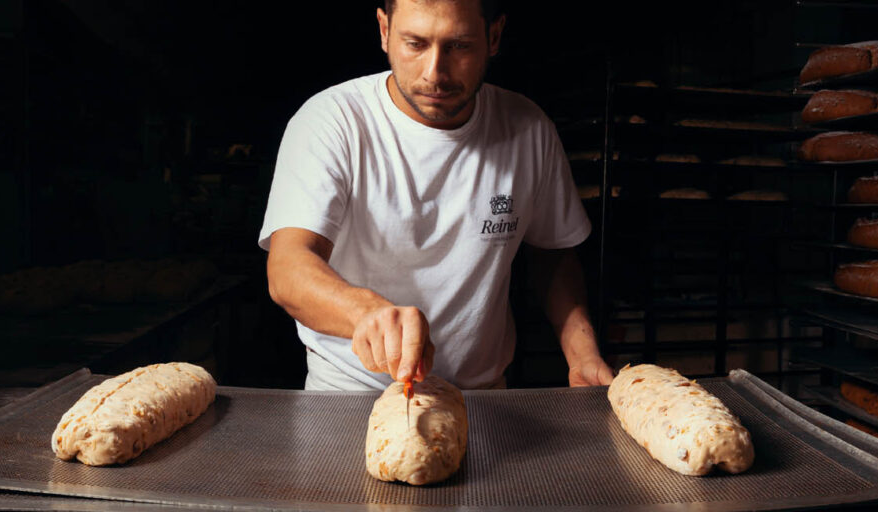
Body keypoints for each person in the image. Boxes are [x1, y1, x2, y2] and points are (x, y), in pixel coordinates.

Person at [258, 0, 614, 391]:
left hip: (482, 397)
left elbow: (553, 255)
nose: (435, 73)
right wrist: (366, 312)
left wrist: (582, 356)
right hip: (349, 394)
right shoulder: (332, 121)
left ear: (493, 37)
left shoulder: (528, 128)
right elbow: (288, 267)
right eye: (415, 44)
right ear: (384, 30)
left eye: (459, 46)